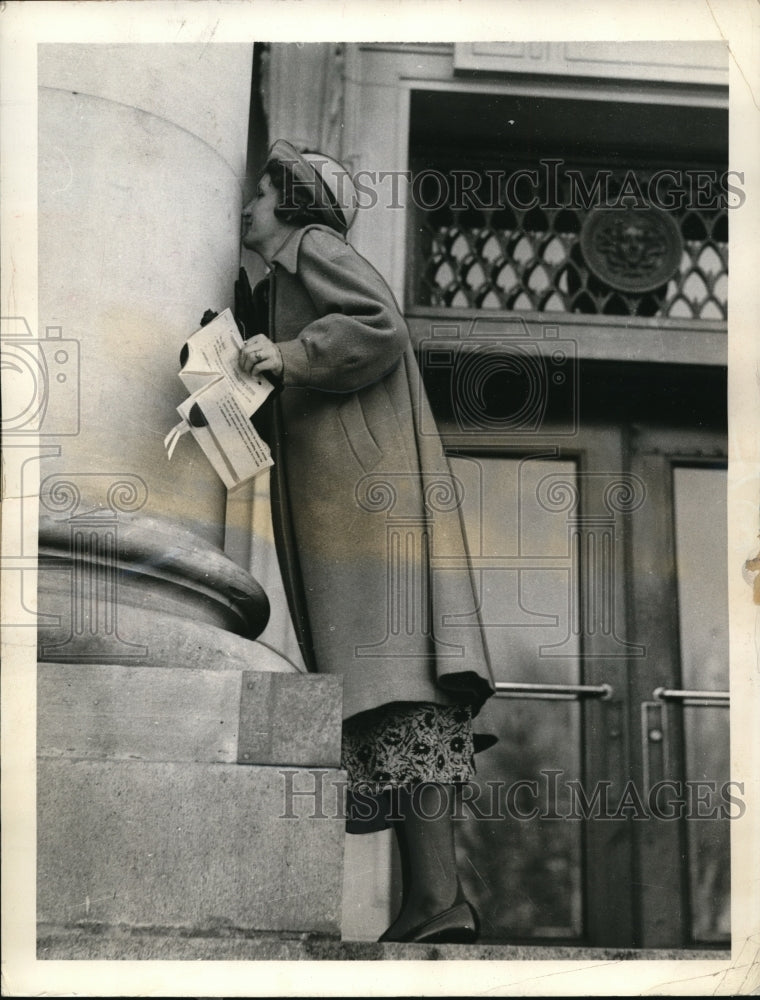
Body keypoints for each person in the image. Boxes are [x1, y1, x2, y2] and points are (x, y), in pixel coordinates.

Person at [234, 139, 495, 944]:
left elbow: (377, 323)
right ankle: (430, 901)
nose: (245, 206)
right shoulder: (281, 275)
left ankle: (440, 900)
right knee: (390, 705)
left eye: (260, 193)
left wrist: (287, 354)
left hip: (367, 515)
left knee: (400, 694)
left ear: (293, 204)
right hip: (351, 514)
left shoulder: (315, 246)